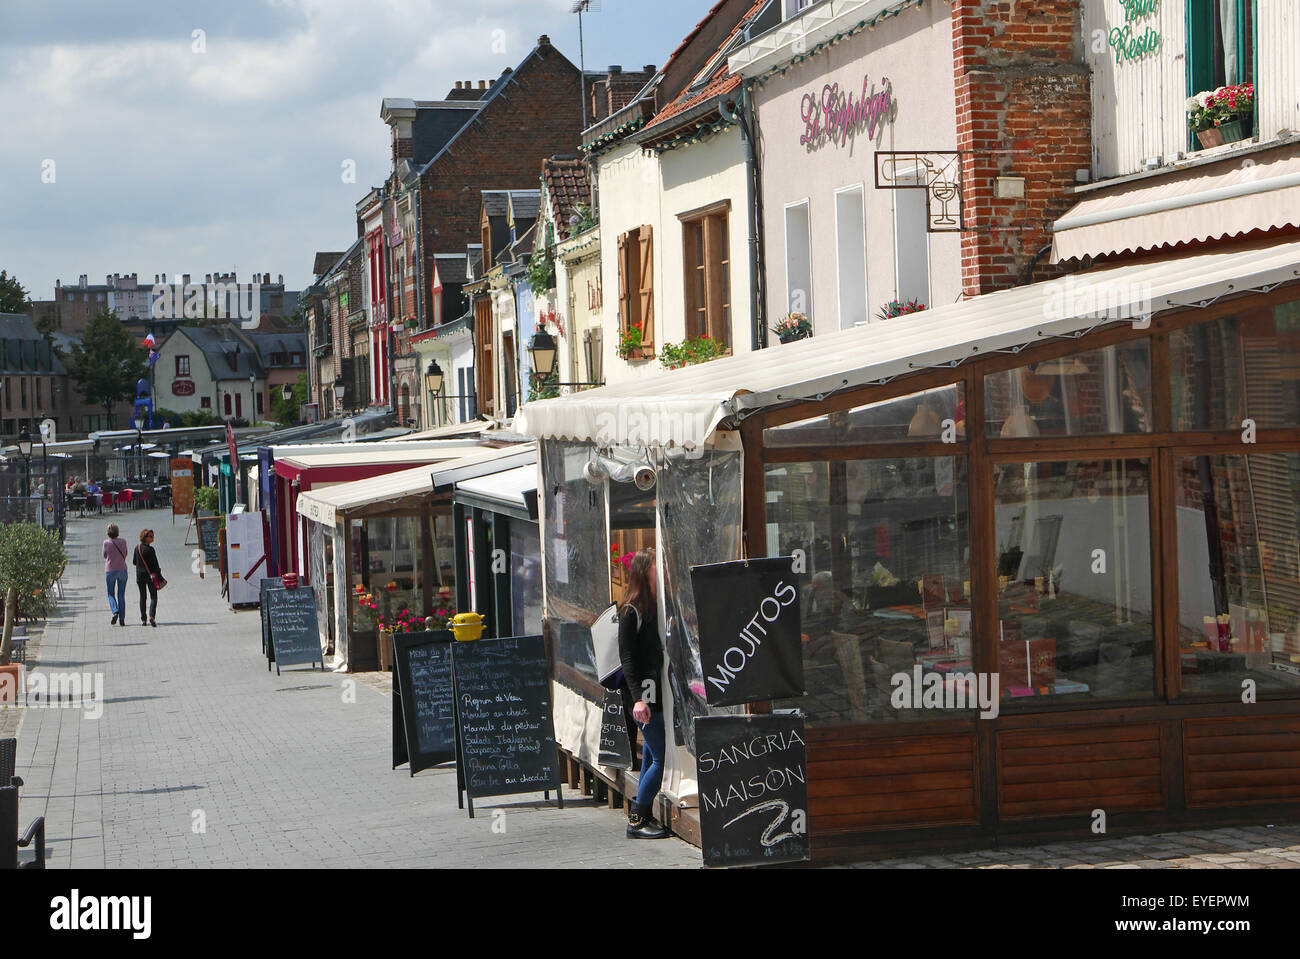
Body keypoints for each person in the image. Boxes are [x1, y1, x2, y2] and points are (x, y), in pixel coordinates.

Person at [618, 547, 670, 840]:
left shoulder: (655, 606)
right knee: (660, 759)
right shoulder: (631, 611)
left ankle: (644, 816)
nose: (659, 569)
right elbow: (628, 659)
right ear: (643, 571)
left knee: (651, 756)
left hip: (658, 694)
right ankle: (636, 820)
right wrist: (637, 698)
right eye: (654, 566)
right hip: (643, 698)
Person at [132, 528, 163, 627]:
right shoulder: (150, 549)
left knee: (143, 597)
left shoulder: (137, 548)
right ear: (145, 537)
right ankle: (152, 617)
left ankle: (143, 620)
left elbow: (134, 562)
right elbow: (155, 564)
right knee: (153, 596)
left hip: (139, 576)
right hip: (150, 576)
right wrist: (159, 573)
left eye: (152, 535)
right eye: (150, 536)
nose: (152, 537)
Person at [102, 523, 129, 626]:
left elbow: (104, 555)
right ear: (117, 532)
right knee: (121, 594)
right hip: (122, 570)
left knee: (110, 593)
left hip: (110, 570)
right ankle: (122, 619)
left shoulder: (106, 543)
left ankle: (115, 611)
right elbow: (125, 553)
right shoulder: (123, 541)